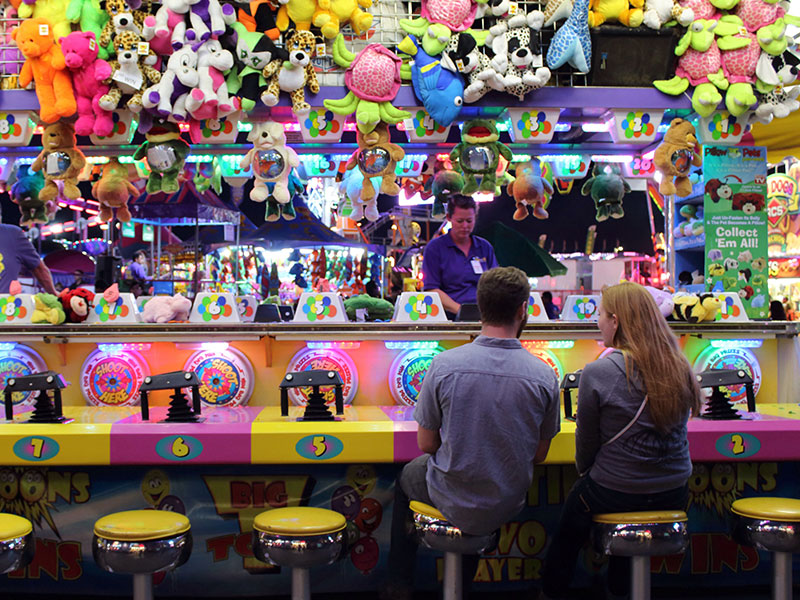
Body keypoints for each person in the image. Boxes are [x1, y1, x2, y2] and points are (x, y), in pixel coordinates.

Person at [383, 266, 560, 600]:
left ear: (479, 306)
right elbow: (539, 453)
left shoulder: (444, 365)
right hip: (508, 501)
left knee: (409, 475)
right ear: (524, 309)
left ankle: (399, 584)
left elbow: (426, 443)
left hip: (451, 495)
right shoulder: (544, 375)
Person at [542, 281, 702, 600]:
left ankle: (551, 591)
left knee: (569, 530)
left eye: (600, 314)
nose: (597, 321)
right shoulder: (678, 363)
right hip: (675, 491)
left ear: (615, 321)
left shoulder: (599, 371)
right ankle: (619, 588)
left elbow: (585, 448)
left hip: (615, 490)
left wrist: (591, 472)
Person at [422, 194, 498, 317]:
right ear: (449, 218)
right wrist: (461, 311)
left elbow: (496, 284)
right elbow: (431, 289)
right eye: (460, 221)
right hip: (448, 319)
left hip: (484, 316)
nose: (465, 226)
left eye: (469, 221)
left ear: (475, 218)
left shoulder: (484, 247)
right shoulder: (435, 248)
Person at [0, 222, 57, 295]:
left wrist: (54, 296)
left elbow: (39, 269)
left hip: (5, 303)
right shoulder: (11, 233)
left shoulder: (11, 234)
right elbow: (39, 269)